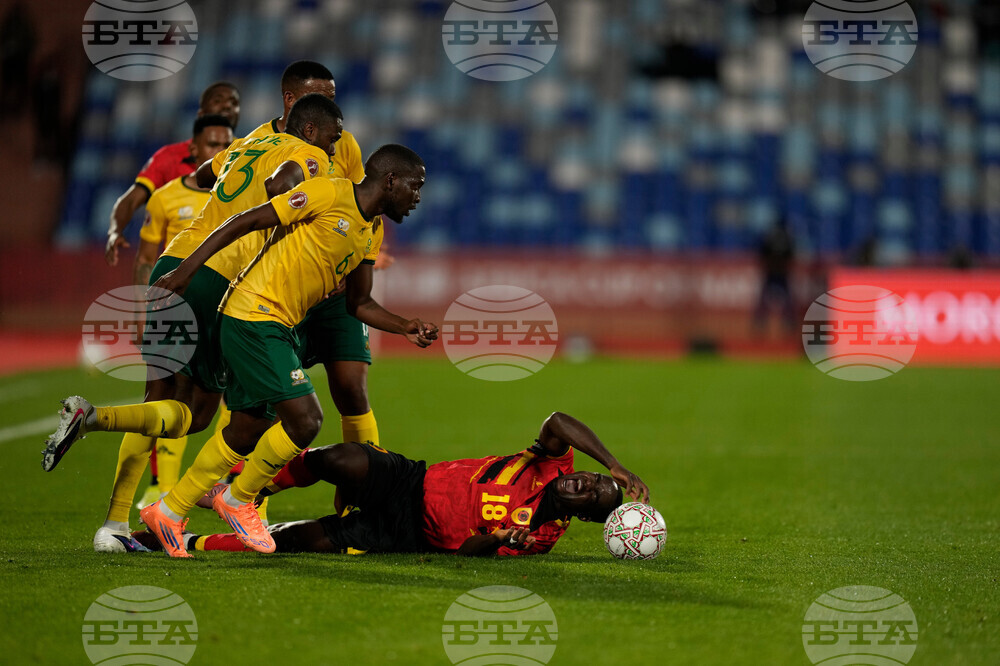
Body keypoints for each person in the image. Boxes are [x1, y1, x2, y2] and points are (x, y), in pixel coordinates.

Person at [41, 96, 345, 552]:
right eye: (332, 136)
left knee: (157, 398)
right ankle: (108, 436)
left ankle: (112, 518)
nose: (336, 146)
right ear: (310, 130)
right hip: (216, 277)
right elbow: (280, 189)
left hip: (176, 256)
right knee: (198, 414)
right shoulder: (308, 156)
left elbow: (202, 177)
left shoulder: (251, 141)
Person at [138, 143, 437, 558]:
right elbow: (246, 220)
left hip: (279, 323)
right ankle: (239, 498)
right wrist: (187, 269)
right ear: (390, 180)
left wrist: (406, 326)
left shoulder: (372, 230)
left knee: (247, 429)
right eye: (415, 186)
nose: (418, 197)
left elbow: (358, 304)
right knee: (307, 419)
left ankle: (168, 511)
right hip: (253, 314)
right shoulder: (328, 193)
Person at [150, 412, 650, 557]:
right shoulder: (549, 462)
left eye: (592, 496)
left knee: (303, 541)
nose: (585, 483)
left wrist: (497, 540)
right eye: (591, 478)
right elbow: (559, 419)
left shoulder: (540, 537)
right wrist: (616, 465)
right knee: (341, 458)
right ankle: (250, 492)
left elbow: (468, 550)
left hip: (408, 536)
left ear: (583, 516)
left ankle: (188, 540)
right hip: (411, 479)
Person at [226, 60, 388, 455]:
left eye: (332, 97)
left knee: (352, 385)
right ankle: (242, 491)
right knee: (265, 401)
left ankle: (364, 491)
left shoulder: (343, 143)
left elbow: (359, 204)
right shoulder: (258, 144)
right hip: (280, 284)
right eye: (321, 97)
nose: (330, 106)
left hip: (333, 286)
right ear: (290, 99)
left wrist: (355, 261)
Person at [121, 115, 234, 521]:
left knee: (176, 406)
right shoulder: (167, 197)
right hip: (191, 291)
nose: (220, 153)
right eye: (212, 146)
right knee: (184, 403)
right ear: (195, 151)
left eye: (227, 145)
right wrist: (139, 311)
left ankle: (123, 517)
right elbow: (146, 258)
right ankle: (176, 496)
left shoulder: (233, 190)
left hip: (201, 292)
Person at [105, 82, 240, 267]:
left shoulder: (250, 155)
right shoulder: (169, 157)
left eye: (233, 102)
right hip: (181, 272)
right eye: (218, 100)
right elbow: (132, 198)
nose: (227, 106)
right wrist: (115, 231)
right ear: (200, 113)